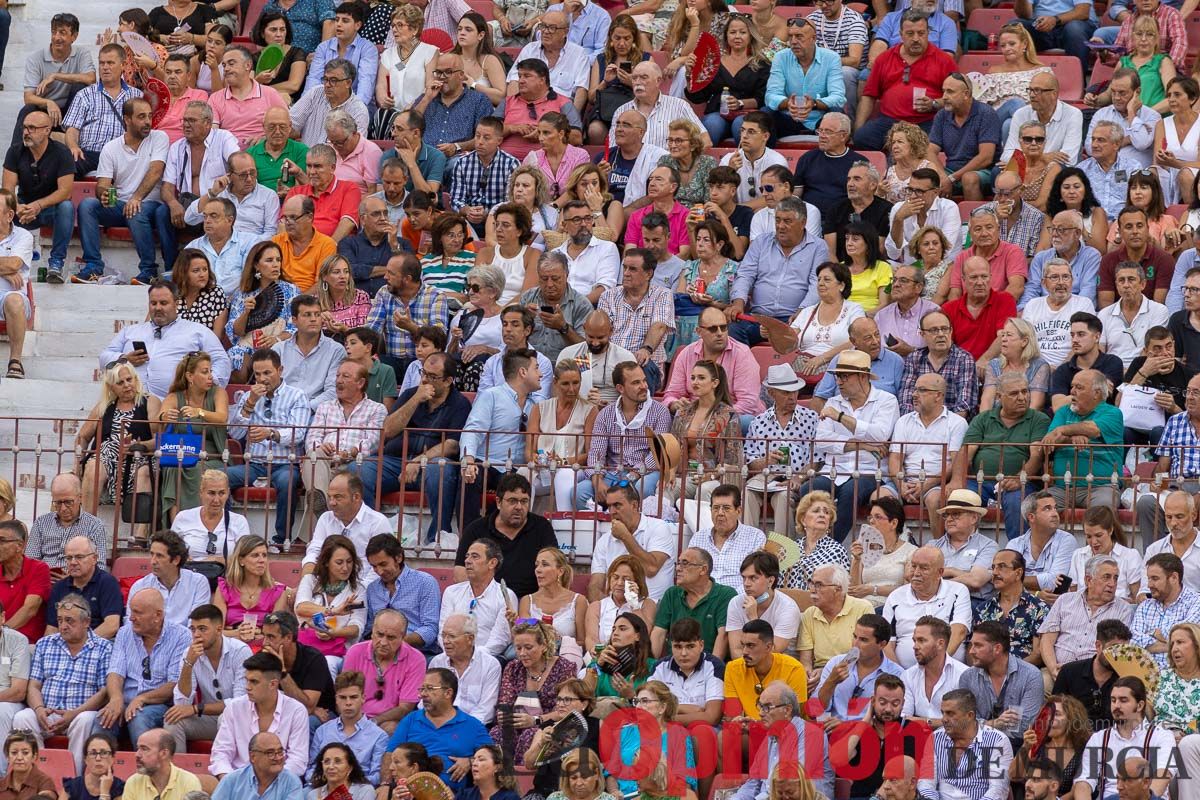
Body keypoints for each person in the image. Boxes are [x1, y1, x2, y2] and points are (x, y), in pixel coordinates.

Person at [11, 594, 110, 774]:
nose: (63, 626)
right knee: (23, 717)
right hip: (47, 713)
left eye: (69, 621)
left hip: (79, 713)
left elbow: (104, 691)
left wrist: (75, 713)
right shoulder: (45, 644)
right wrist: (39, 709)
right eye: (60, 620)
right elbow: (34, 685)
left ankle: (73, 780)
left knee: (86, 720)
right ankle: (40, 777)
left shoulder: (104, 647)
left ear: (86, 622)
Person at [225, 349, 310, 547]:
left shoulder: (297, 396)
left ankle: (281, 541)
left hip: (284, 464)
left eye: (267, 373)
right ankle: (227, 535)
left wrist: (270, 433)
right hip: (254, 464)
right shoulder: (249, 396)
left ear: (280, 370)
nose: (262, 379)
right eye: (258, 374)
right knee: (220, 478)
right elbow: (235, 433)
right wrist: (249, 404)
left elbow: (298, 435)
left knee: (287, 481)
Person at [725, 197, 824, 346]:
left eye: (787, 221)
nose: (780, 226)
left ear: (803, 223)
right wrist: (738, 302)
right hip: (758, 319)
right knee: (732, 330)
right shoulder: (761, 242)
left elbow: (816, 284)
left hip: (793, 319)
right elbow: (745, 274)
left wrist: (802, 312)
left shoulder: (818, 247)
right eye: (777, 220)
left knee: (803, 334)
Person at [96, 588, 190, 744]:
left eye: (138, 613)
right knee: (104, 718)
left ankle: (146, 767)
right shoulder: (124, 633)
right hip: (125, 700)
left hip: (159, 704)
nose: (131, 618)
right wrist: (116, 698)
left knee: (139, 717)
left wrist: (142, 699)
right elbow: (115, 673)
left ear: (158, 616)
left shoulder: (181, 636)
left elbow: (175, 684)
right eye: (131, 612)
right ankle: (100, 768)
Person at [853, 12, 956, 152]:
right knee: (861, 138)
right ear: (901, 34)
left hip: (927, 122)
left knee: (940, 142)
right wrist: (858, 129)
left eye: (921, 33)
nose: (916, 38)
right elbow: (869, 96)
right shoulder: (884, 58)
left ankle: (899, 152)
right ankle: (899, 151)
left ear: (928, 33)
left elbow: (957, 97)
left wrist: (935, 103)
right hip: (889, 122)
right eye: (910, 33)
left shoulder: (944, 60)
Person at [574, 361, 671, 509]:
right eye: (636, 383)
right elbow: (596, 453)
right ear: (620, 388)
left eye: (644, 380)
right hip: (612, 472)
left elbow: (658, 454)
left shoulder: (660, 412)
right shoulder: (606, 413)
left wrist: (631, 477)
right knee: (579, 492)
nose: (644, 386)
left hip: (644, 473)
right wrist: (597, 479)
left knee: (642, 489)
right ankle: (602, 526)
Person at [383, 666, 492, 790]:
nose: (422, 694)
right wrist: (385, 785)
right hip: (410, 792)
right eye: (422, 689)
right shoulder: (410, 720)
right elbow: (390, 753)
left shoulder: (473, 725)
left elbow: (493, 758)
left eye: (429, 689)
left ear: (448, 693)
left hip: (455, 795)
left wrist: (470, 761)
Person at [163, 604, 252, 755]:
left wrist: (197, 709)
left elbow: (239, 704)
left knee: (225, 718)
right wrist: (188, 664)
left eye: (202, 629)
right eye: (193, 629)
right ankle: (179, 775)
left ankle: (225, 771)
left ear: (218, 630)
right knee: (172, 721)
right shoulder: (189, 653)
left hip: (241, 720)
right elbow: (182, 703)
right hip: (210, 718)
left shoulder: (241, 652)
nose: (196, 634)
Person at [1072, 677, 1177, 800]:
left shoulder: (1161, 736)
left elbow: (1162, 777)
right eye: (1113, 700)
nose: (1116, 706)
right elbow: (1084, 782)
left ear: (1140, 705)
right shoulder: (1099, 738)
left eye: (1123, 700)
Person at [742, 367, 818, 535]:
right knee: (747, 493)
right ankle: (748, 549)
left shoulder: (811, 419)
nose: (792, 397)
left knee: (783, 498)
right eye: (785, 393)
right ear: (771, 393)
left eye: (795, 392)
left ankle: (783, 556)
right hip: (765, 477)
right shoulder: (759, 422)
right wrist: (766, 461)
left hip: (796, 476)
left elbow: (818, 458)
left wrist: (800, 477)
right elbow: (750, 460)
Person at [209, 651, 309, 778]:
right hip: (238, 780)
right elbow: (221, 753)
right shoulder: (234, 708)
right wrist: (228, 780)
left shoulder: (296, 711)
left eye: (254, 682)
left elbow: (298, 760)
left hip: (280, 783)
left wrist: (270, 782)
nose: (247, 687)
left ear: (273, 684)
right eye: (247, 680)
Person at [1038, 555, 1134, 681]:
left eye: (1115, 578)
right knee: (1039, 681)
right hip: (1057, 670)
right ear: (1088, 580)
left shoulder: (1124, 610)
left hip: (1094, 676)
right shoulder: (1065, 600)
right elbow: (1047, 640)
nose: (1112, 584)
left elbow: (1115, 651)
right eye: (1106, 577)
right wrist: (1053, 669)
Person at [3, 111, 74, 283]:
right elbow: (8, 188)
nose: (26, 132)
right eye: (25, 127)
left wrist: (38, 205)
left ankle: (56, 263)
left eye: (32, 128)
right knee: (3, 207)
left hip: (49, 209)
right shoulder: (15, 151)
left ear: (47, 130)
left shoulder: (62, 153)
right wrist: (17, 207)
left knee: (67, 207)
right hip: (22, 209)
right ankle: (4, 258)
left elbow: (65, 191)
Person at [12, 14, 94, 148]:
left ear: (74, 36)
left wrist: (56, 76)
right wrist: (48, 102)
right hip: (46, 111)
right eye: (53, 32)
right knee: (27, 109)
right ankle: (15, 159)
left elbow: (91, 79)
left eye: (62, 33)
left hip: (71, 112)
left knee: (80, 86)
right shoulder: (35, 59)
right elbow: (28, 97)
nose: (56, 37)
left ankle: (74, 140)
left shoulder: (82, 53)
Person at [959, 621, 1044, 748]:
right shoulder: (967, 677)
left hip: (1018, 748)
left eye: (978, 645)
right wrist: (996, 723)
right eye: (971, 645)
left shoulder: (1031, 675)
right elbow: (965, 724)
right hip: (976, 746)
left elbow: (1025, 727)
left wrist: (982, 725)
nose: (971, 651)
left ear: (997, 648)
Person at [882, 546, 971, 667]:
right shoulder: (896, 597)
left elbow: (959, 631)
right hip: (904, 674)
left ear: (939, 573)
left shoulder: (957, 591)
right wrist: (899, 675)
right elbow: (887, 643)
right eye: (913, 566)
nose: (916, 573)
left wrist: (938, 666)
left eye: (924, 568)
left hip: (947, 669)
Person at [919, 690, 1014, 800]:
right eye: (943, 713)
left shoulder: (997, 741)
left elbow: (998, 790)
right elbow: (925, 784)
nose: (944, 719)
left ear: (969, 715)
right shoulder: (935, 738)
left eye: (950, 713)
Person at [589, 483, 677, 601]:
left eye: (617, 505)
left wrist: (625, 536)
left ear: (634, 505)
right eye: (609, 506)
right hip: (617, 611)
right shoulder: (604, 541)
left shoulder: (658, 528)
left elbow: (651, 569)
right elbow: (595, 586)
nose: (611, 511)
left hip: (652, 609)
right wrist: (607, 609)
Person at [650, 546, 735, 658]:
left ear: (703, 570)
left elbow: (723, 635)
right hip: (675, 665)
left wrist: (712, 670)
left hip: (707, 664)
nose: (678, 568)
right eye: (678, 563)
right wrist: (648, 669)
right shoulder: (672, 594)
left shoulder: (725, 594)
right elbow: (659, 633)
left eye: (685, 563)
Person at [308, 671, 387, 785]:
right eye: (343, 697)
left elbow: (376, 776)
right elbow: (312, 770)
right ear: (336, 699)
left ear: (363, 698)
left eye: (353, 697)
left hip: (359, 790)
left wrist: (346, 783)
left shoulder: (379, 736)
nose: (348, 703)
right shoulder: (322, 731)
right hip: (325, 787)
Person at [363, 534, 439, 654]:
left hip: (417, 651)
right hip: (380, 651)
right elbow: (369, 627)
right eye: (374, 566)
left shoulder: (425, 582)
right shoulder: (372, 589)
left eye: (383, 564)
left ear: (398, 557)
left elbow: (430, 629)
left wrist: (397, 642)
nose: (379, 571)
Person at [441, 541, 518, 658]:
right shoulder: (452, 592)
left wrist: (471, 656)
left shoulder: (505, 595)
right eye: (467, 556)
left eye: (475, 556)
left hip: (488, 658)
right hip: (451, 654)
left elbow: (500, 639)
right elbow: (443, 630)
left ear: (492, 563)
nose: (467, 561)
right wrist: (454, 653)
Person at [26, 475, 107, 580]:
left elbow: (99, 566)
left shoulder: (94, 525)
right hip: (43, 582)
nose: (63, 508)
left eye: (68, 502)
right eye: (58, 503)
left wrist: (74, 577)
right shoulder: (41, 523)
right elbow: (30, 561)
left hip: (79, 584)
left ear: (80, 498)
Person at [723, 620, 809, 718]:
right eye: (743, 645)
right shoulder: (732, 668)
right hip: (747, 730)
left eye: (751, 646)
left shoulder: (794, 669)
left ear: (768, 647)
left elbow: (794, 717)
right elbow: (732, 715)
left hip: (782, 730)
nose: (744, 652)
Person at [450, 120, 520, 239]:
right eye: (477, 136)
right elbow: (456, 199)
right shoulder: (462, 163)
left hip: (498, 220)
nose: (480, 142)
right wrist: (467, 210)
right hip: (468, 220)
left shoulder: (511, 164)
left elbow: (511, 203)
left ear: (499, 141)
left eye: (486, 138)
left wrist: (489, 213)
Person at [897, 615, 969, 728]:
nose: (915, 646)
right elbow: (903, 720)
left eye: (921, 640)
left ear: (940, 644)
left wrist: (922, 721)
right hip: (916, 739)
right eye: (914, 640)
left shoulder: (964, 675)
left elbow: (964, 722)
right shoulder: (908, 676)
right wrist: (944, 722)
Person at [44, 537, 122, 639]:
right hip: (64, 646)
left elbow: (111, 626)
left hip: (99, 645)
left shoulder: (108, 583)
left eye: (79, 557)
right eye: (68, 558)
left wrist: (82, 645)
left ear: (94, 558)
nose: (73, 562)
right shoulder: (59, 587)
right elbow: (52, 628)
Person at [1024, 211, 1100, 314]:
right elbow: (1031, 290)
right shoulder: (1041, 258)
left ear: (1077, 233)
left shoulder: (1091, 256)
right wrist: (1023, 310)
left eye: (1061, 229)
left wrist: (1063, 314)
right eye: (1053, 229)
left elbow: (1088, 292)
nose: (1055, 234)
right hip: (1044, 313)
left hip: (1077, 314)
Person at [429, 615, 501, 724]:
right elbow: (426, 701)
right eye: (443, 636)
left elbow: (486, 711)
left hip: (472, 727)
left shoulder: (490, 665)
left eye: (451, 636)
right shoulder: (437, 662)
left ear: (470, 639)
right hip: (437, 725)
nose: (445, 641)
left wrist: (461, 727)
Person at [884, 168, 963, 266]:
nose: (912, 196)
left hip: (944, 266)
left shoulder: (949, 208)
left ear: (936, 192)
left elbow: (944, 251)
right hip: (911, 269)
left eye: (919, 191)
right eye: (910, 189)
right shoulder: (899, 209)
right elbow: (893, 254)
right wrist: (898, 219)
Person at [1101, 265, 1172, 373]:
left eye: (1131, 279)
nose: (1126, 285)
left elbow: (1153, 349)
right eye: (1121, 280)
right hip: (1111, 373)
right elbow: (1100, 350)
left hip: (1145, 371)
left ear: (1143, 284)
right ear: (1116, 285)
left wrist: (1130, 373)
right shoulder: (1104, 314)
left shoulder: (1159, 310)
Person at [732, 551, 800, 659]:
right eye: (744, 578)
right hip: (744, 666)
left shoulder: (788, 608)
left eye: (753, 578)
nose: (746, 584)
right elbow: (736, 651)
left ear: (770, 581)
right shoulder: (736, 602)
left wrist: (754, 620)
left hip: (778, 667)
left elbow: (773, 652)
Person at [583, 557, 657, 653]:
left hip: (634, 659)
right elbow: (591, 639)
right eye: (615, 577)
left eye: (626, 579)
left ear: (636, 582)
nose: (619, 583)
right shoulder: (597, 606)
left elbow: (645, 634)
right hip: (603, 658)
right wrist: (602, 655)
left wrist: (634, 604)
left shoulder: (647, 604)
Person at [1069, 507, 1143, 603]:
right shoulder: (1078, 555)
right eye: (1089, 536)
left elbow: (1137, 599)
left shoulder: (1130, 556)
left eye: (1098, 535)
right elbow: (1073, 595)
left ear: (1110, 530)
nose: (1094, 542)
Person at [1008, 493, 1076, 596]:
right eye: (1047, 509)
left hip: (1053, 607)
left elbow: (1053, 581)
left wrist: (1015, 578)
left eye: (1055, 508)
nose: (1055, 513)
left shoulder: (1066, 540)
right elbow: (1004, 582)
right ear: (1031, 517)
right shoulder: (1015, 545)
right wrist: (1036, 594)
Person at [210, 731, 303, 800]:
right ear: (253, 757)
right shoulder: (232, 780)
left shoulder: (292, 782)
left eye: (280, 752)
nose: (278, 757)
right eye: (270, 753)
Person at [59, 732, 126, 800]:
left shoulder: (120, 788)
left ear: (112, 758)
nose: (98, 758)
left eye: (104, 753)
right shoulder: (72, 787)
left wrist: (105, 793)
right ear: (85, 759)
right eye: (93, 753)